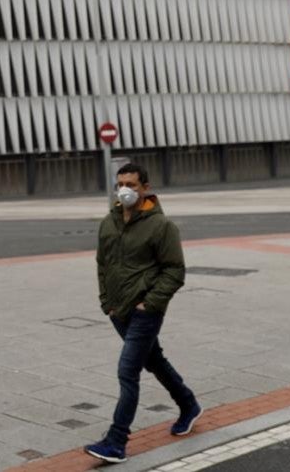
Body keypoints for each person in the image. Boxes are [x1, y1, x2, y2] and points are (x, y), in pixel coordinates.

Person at [85, 163, 202, 464]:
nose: (125, 190)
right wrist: (105, 301)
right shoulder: (108, 223)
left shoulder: (161, 226)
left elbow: (175, 270)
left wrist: (150, 303)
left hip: (145, 312)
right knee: (155, 361)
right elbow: (103, 264)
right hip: (117, 310)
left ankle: (116, 441)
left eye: (132, 185)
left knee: (128, 371)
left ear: (145, 188)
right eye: (120, 184)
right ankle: (188, 405)